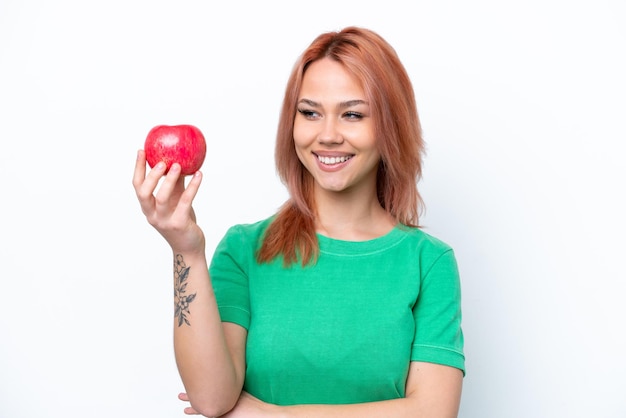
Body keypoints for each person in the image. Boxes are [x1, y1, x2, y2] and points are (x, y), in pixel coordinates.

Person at [133, 26, 465, 417]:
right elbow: (211, 399)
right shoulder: (244, 250)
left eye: (352, 114)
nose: (327, 135)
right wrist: (185, 250)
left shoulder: (428, 262)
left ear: (391, 126)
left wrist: (270, 415)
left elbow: (433, 411)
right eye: (310, 113)